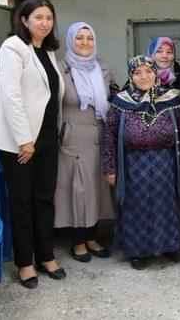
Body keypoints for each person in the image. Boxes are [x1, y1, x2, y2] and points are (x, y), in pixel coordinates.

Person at [0, 0, 66, 288]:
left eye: (49, 17)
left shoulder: (47, 51)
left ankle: (46, 255)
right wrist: (25, 141)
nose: (44, 23)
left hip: (47, 137)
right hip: (20, 142)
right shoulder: (13, 48)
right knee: (22, 202)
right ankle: (25, 263)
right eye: (38, 17)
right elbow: (11, 95)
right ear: (24, 20)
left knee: (44, 200)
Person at [102, 55, 180, 270]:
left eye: (149, 71)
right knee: (136, 206)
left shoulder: (172, 99)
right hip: (132, 164)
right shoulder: (121, 101)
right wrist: (110, 168)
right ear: (131, 76)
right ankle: (137, 251)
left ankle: (171, 245)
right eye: (138, 72)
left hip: (165, 163)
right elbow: (110, 136)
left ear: (156, 73)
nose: (144, 76)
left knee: (166, 204)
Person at [54, 22, 117, 263]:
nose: (85, 43)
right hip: (72, 140)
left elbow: (115, 94)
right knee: (77, 191)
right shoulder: (60, 68)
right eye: (79, 38)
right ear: (70, 40)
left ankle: (92, 237)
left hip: (100, 137)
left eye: (89, 38)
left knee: (96, 190)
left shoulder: (102, 67)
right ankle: (78, 241)